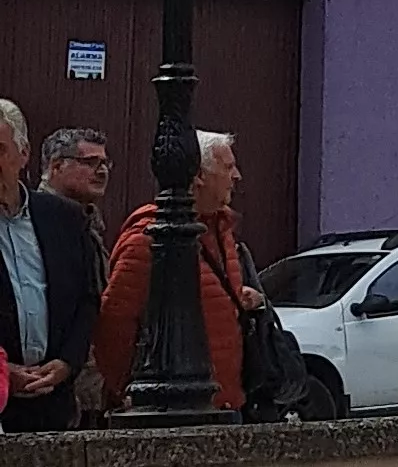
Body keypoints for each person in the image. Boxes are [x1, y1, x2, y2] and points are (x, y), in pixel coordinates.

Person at [95, 130, 261, 417]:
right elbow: (113, 323)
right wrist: (129, 391)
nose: (237, 176)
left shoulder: (222, 231)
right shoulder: (148, 237)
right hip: (170, 408)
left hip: (226, 403)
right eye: (228, 167)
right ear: (198, 176)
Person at [0, 100, 98, 434]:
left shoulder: (64, 219)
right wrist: (3, 373)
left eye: (0, 150)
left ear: (23, 154)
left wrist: (67, 363)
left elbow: (87, 300)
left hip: (55, 403)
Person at [38, 130, 112, 426]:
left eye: (105, 163)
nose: (101, 170)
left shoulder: (88, 223)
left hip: (89, 386)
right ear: (56, 166)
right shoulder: (33, 222)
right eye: (90, 162)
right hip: (48, 386)